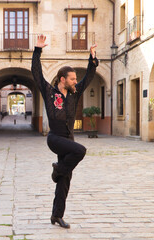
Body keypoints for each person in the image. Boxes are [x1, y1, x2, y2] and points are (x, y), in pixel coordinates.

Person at [31, 35, 98, 228]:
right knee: (80, 150)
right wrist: (37, 50)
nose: (76, 81)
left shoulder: (75, 94)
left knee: (65, 181)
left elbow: (89, 77)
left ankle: (56, 215)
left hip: (68, 138)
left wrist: (92, 58)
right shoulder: (50, 92)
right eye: (72, 79)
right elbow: (36, 74)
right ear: (63, 79)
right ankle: (58, 169)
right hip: (55, 138)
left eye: (76, 79)